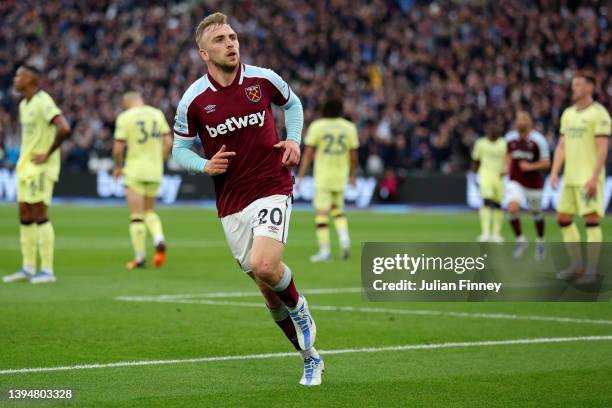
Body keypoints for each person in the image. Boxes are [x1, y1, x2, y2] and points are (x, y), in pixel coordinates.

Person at [171, 13, 322, 386]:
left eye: (233, 36)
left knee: (267, 265)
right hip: (232, 203)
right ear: (204, 52)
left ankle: (300, 308)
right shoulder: (193, 99)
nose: (231, 43)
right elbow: (178, 149)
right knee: (267, 290)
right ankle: (310, 358)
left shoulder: (262, 79)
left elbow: (294, 105)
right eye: (221, 39)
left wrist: (294, 139)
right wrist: (204, 165)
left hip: (272, 185)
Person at [2, 65, 71, 284]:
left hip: (41, 167)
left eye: (19, 75)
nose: (15, 79)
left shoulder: (43, 101)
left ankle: (47, 270)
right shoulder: (24, 104)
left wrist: (48, 154)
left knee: (40, 214)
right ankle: (28, 267)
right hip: (26, 166)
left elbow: (64, 128)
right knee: (24, 214)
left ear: (31, 80)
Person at [551, 71, 611, 284]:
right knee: (563, 218)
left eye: (578, 84)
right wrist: (555, 171)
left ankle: (592, 271)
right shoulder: (568, 113)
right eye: (573, 84)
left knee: (591, 220)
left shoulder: (599, 113)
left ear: (590, 87)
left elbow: (603, 147)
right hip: (570, 178)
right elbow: (561, 145)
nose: (573, 88)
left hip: (588, 178)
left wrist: (595, 177)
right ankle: (576, 265)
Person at [112, 92, 172, 269]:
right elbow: (168, 142)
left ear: (127, 102)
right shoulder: (157, 114)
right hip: (155, 171)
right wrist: (159, 160)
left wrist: (117, 167)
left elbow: (117, 148)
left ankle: (140, 258)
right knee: (149, 211)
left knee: (136, 216)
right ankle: (159, 237)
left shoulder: (125, 117)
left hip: (135, 171)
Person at [296, 98, 359, 262]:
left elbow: (309, 153)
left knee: (322, 214)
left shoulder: (318, 126)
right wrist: (352, 175)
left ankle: (325, 251)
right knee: (338, 210)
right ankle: (345, 241)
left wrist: (301, 174)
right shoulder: (349, 127)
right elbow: (353, 155)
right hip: (341, 175)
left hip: (324, 176)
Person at [504, 111, 550, 260]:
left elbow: (546, 162)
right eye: (518, 120)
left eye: (523, 120)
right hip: (515, 180)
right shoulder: (510, 138)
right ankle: (520, 240)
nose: (520, 123)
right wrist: (506, 167)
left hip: (533, 183)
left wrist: (530, 166)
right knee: (512, 208)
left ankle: (540, 241)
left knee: (536, 213)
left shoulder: (539, 140)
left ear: (529, 123)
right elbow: (508, 154)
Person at [472, 124, 507, 242]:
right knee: (487, 201)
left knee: (498, 204)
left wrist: (507, 169)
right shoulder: (481, 143)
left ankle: (496, 234)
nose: (492, 134)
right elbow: (476, 160)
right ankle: (485, 233)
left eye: (495, 132)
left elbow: (509, 159)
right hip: (485, 175)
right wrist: (475, 175)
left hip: (499, 177)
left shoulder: (503, 143)